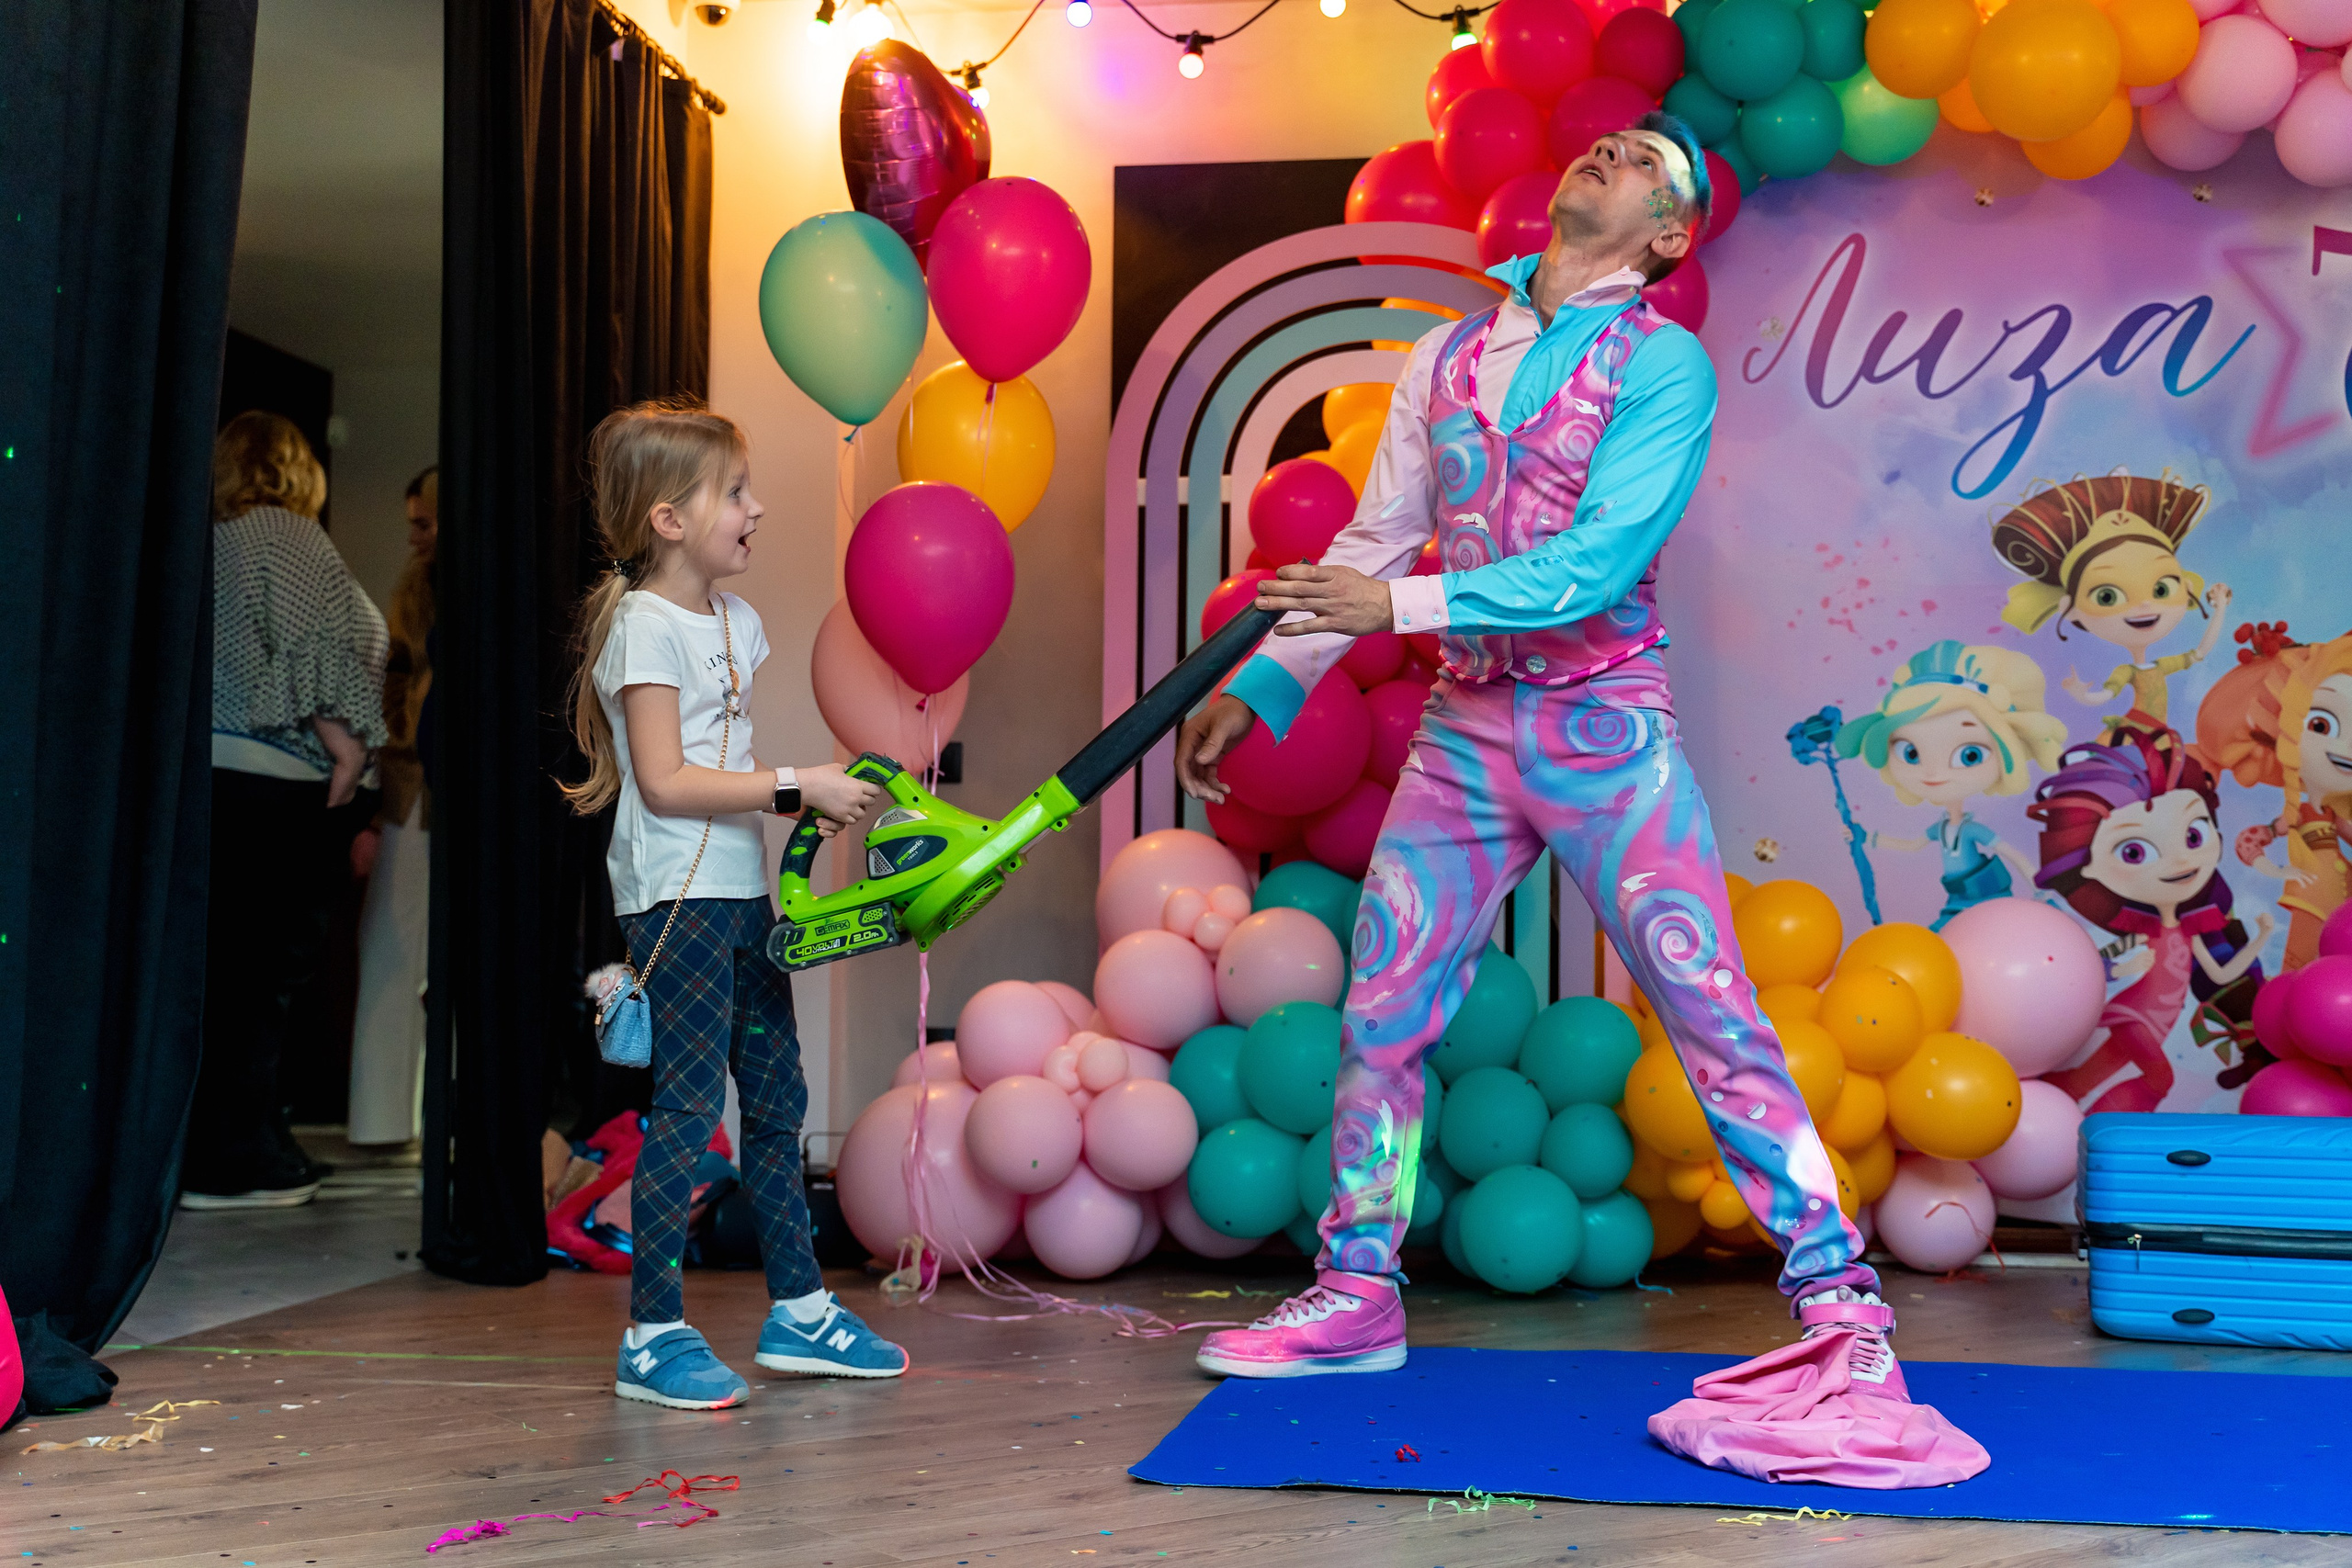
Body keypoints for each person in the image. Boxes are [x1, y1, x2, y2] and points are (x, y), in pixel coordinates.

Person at [1175, 116, 1985, 1485]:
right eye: (1603, 145)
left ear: (1669, 237)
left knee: (1711, 1006)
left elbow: (1599, 563)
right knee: (1382, 1005)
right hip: (1465, 730)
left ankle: (1842, 1311)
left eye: (1641, 163)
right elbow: (1372, 542)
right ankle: (1355, 1291)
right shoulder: (1446, 353)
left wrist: (1399, 606)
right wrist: (1270, 687)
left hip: (1604, 730)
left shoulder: (1663, 363)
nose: (1606, 153)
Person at [562, 399, 903, 1410]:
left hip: (741, 897)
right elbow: (665, 783)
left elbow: (727, 767)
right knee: (685, 1113)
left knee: (778, 1100)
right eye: (735, 493)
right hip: (676, 906)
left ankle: (799, 1311)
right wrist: (800, 785)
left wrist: (795, 815)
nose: (757, 508)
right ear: (669, 518)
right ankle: (652, 1333)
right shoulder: (642, 627)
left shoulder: (734, 622)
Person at [185, 412, 389, 1208]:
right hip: (280, 784)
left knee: (229, 973)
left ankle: (242, 1141)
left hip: (217, 782)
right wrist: (347, 751)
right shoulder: (285, 533)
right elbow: (314, 649)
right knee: (268, 975)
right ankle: (238, 1159)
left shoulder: (214, 540)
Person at [2031, 730, 2275, 1112]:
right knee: (2159, 1080)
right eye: (2134, 851)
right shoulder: (2137, 925)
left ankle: (2046, 1108)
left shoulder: (2192, 925)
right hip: (2136, 1018)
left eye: (2193, 836)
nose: (2179, 863)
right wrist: (2122, 966)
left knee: (2081, 1080)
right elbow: (2100, 962)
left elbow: (2223, 973)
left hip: (2158, 1025)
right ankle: (2099, 1143)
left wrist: (2261, 936)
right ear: (2089, 866)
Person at [1836, 641, 2068, 930]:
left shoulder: (1971, 831)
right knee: (1939, 938)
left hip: (1987, 896)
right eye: (1911, 753)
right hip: (1956, 898)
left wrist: (2038, 885)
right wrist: (1867, 838)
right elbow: (1911, 846)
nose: (1934, 773)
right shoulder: (1940, 830)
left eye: (1969, 755)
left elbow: (2011, 853)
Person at [1990, 470, 2233, 747]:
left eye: (2161, 589)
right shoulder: (2126, 673)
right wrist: (2082, 695)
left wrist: (2221, 608)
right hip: (2135, 731)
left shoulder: (2162, 666)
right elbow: (2106, 695)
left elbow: (2200, 652)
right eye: (2107, 596)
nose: (2144, 605)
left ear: (2187, 588)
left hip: (2160, 733)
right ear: (2071, 610)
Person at [348, 467, 439, 1146]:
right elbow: (394, 687)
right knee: (391, 950)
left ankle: (418, 1119)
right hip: (412, 788)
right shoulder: (410, 592)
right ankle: (383, 1121)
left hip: (440, 791)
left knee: (407, 952)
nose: (412, 537)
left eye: (423, 522)